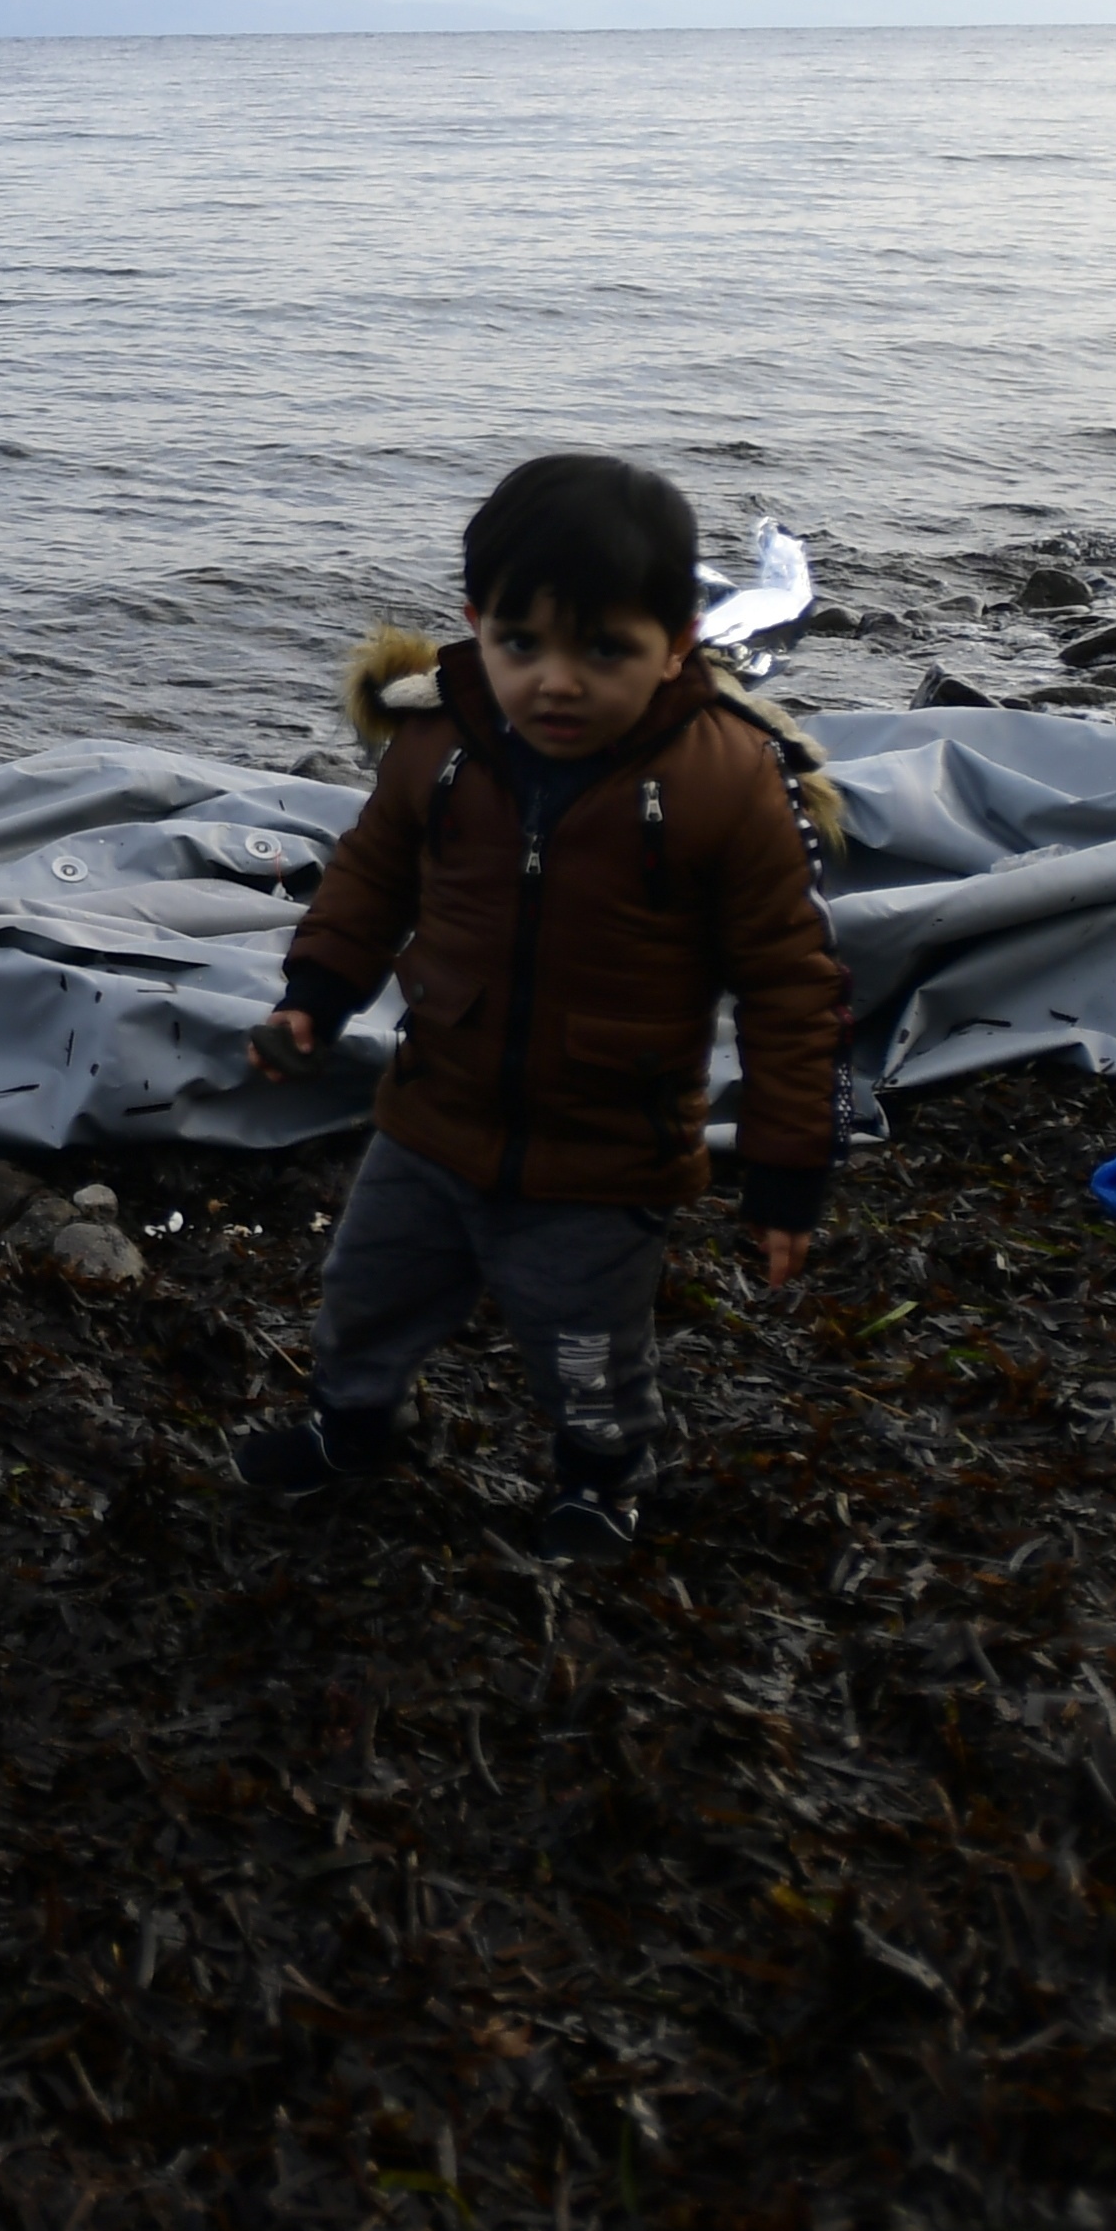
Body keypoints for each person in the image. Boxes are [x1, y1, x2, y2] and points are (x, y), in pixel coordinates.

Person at [232, 453, 847, 1561]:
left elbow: (789, 980)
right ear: (477, 624)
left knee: (585, 1345)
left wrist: (787, 1162)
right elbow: (372, 875)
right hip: (430, 1114)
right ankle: (355, 1425)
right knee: (365, 1293)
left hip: (606, 1152)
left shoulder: (725, 781)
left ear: (680, 642)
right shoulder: (441, 742)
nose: (556, 681)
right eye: (523, 644)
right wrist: (313, 996)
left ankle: (599, 1480)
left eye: (603, 649)